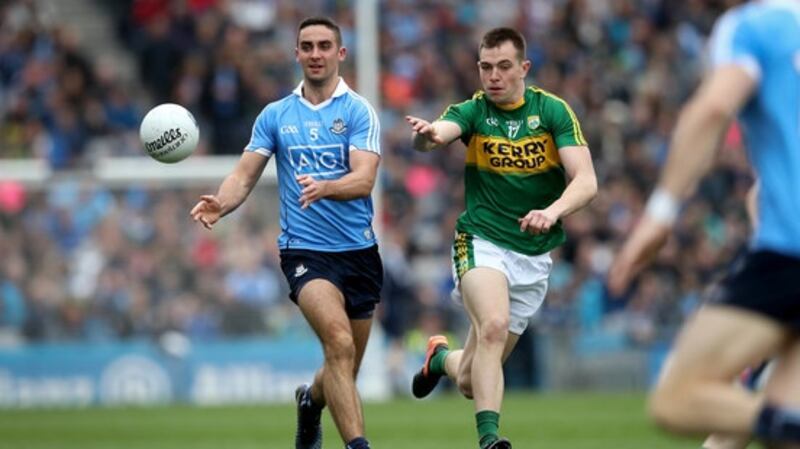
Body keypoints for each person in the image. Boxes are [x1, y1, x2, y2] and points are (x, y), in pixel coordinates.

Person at [608, 1, 800, 446]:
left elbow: (713, 110)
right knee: (774, 422)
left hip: (790, 251)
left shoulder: (754, 27)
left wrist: (659, 215)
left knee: (677, 399)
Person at [190, 17, 382, 449]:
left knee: (343, 365)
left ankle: (310, 402)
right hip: (305, 253)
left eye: (324, 46)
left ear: (340, 54)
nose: (315, 54)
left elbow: (364, 179)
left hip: (360, 254)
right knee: (337, 341)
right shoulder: (275, 115)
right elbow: (243, 175)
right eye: (307, 46)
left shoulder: (357, 111)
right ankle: (358, 446)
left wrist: (327, 186)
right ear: (296, 54)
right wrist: (222, 202)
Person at [405, 27, 597, 449]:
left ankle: (440, 359)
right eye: (485, 67)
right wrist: (428, 136)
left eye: (504, 67)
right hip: (480, 239)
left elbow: (586, 181)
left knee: (473, 380)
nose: (493, 76)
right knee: (493, 325)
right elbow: (440, 133)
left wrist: (552, 212)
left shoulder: (552, 112)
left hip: (533, 255)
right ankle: (490, 440)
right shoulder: (473, 112)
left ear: (524, 68)